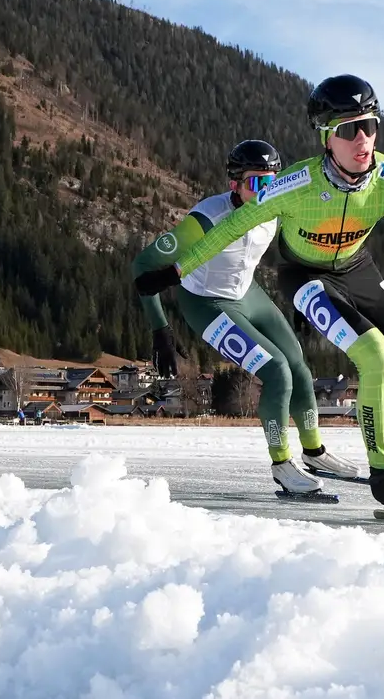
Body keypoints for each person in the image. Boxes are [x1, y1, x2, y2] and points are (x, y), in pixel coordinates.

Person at [134, 75, 384, 517]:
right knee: (317, 365)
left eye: (370, 125)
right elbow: (209, 237)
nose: (362, 138)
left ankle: (352, 447)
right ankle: (318, 468)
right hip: (245, 290)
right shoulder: (263, 198)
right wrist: (167, 299)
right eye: (347, 129)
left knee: (339, 373)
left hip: (312, 279)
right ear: (326, 137)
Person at [132, 139, 361, 496]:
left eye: (273, 181)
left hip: (248, 295)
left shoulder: (277, 207)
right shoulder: (206, 219)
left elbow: (299, 254)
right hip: (206, 302)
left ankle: (315, 451)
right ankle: (282, 464)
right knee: (277, 372)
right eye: (257, 183)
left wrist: (305, 298)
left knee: (299, 366)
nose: (267, 191)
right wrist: (159, 329)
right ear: (234, 184)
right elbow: (144, 266)